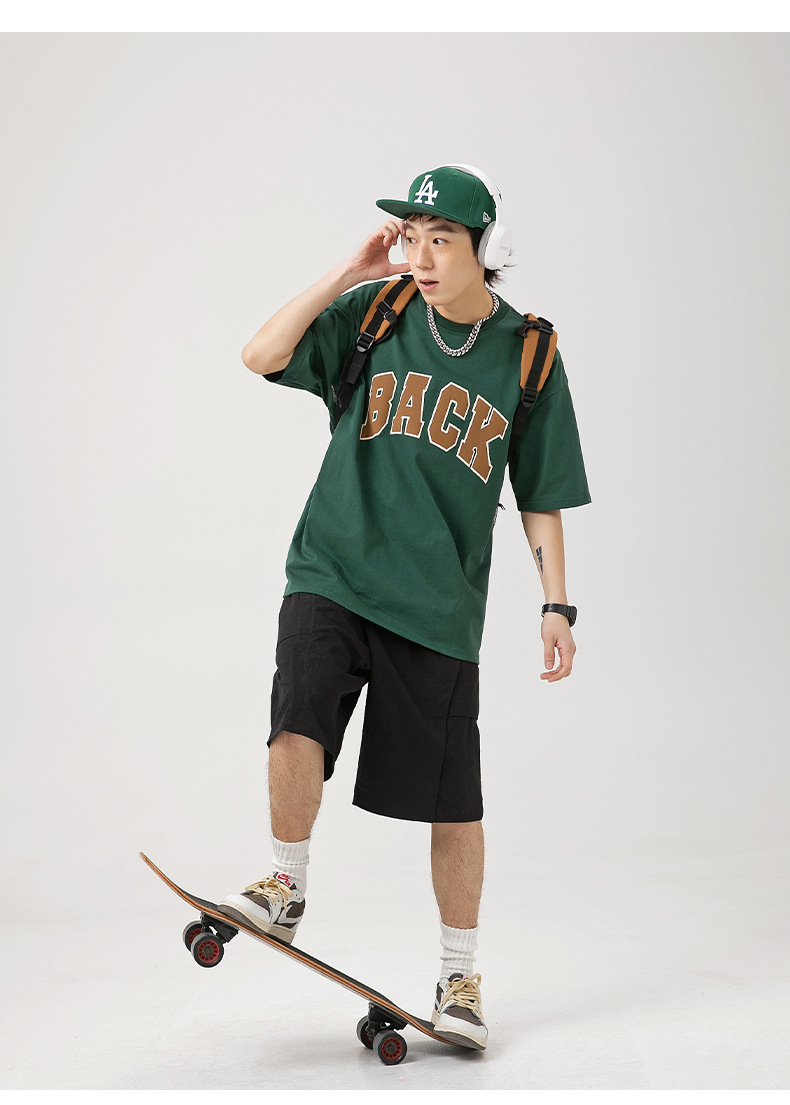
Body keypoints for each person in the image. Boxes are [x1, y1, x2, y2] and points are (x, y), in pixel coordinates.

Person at [217, 164, 591, 1051]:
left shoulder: (529, 356)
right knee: (297, 716)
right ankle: (284, 883)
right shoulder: (374, 313)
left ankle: (459, 974)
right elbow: (260, 354)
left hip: (437, 604)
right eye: (411, 238)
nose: (420, 257)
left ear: (486, 248)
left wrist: (558, 603)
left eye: (441, 241)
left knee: (453, 801)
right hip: (334, 566)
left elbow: (541, 492)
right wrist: (351, 271)